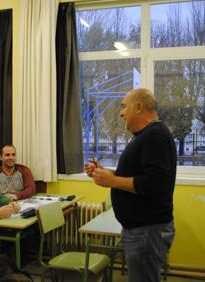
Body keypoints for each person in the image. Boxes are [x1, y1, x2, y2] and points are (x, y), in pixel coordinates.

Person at [85, 88, 177, 282]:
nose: (121, 112)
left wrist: (113, 181)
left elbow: (154, 183)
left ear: (138, 107)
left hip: (146, 230)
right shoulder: (146, 135)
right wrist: (106, 173)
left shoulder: (155, 136)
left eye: (124, 106)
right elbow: (139, 176)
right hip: (142, 230)